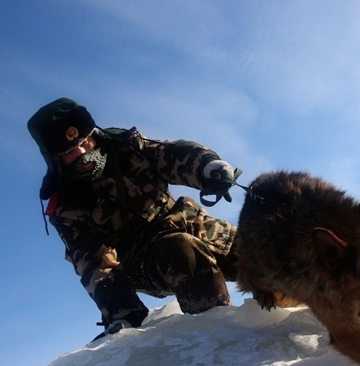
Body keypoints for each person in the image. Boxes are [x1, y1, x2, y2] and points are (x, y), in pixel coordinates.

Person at [27, 98, 240, 340]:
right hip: (146, 260)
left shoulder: (128, 146)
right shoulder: (67, 209)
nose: (83, 152)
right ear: (55, 159)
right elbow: (95, 264)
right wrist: (124, 311)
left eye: (85, 140)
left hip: (197, 226)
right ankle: (221, 343)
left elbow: (170, 154)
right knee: (181, 250)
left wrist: (207, 166)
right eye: (69, 151)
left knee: (263, 248)